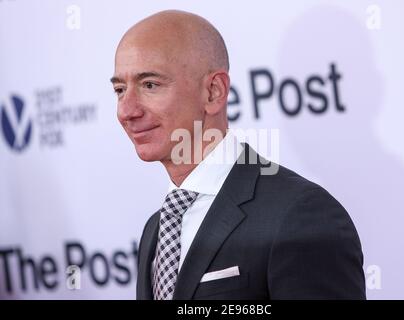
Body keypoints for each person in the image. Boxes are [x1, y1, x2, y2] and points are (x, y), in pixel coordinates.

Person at [111, 9, 366, 300]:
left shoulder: (299, 215)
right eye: (120, 89)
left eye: (150, 85)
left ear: (213, 92)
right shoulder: (155, 229)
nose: (127, 111)